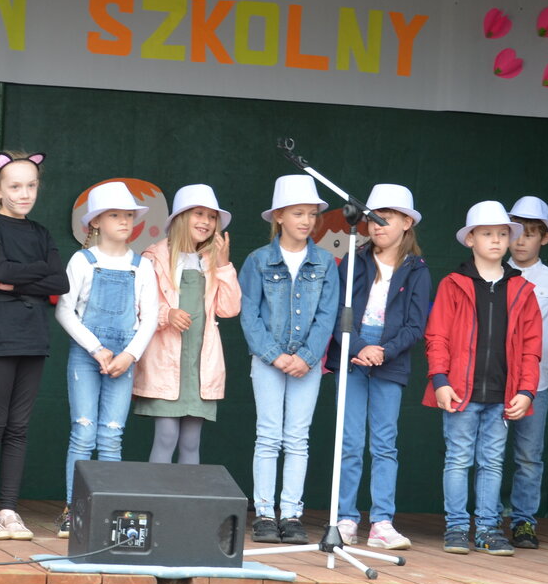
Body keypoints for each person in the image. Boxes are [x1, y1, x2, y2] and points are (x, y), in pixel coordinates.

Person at [424, 201, 541, 556]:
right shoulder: (453, 284)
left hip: (502, 395)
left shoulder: (523, 289)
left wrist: (526, 390)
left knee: (492, 462)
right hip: (460, 392)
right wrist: (440, 379)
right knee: (458, 459)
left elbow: (532, 348)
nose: (496, 240)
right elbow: (437, 336)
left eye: (502, 234)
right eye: (487, 233)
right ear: (470, 239)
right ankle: (457, 528)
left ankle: (488, 529)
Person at [0, 152, 69, 540]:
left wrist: (16, 281)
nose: (24, 193)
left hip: (34, 335)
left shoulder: (41, 232)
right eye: (15, 186)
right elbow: (0, 270)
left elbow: (61, 282)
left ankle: (8, 509)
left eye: (31, 186)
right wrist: (35, 273)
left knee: (18, 426)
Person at [326, 183, 430, 551]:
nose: (376, 225)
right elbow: (336, 311)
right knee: (350, 441)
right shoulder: (354, 259)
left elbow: (416, 326)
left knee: (385, 443)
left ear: (407, 223)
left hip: (390, 358)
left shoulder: (417, 269)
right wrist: (357, 346)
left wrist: (383, 351)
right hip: (352, 351)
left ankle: (382, 522)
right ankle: (346, 518)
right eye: (372, 219)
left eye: (385, 219)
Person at [239, 175, 339, 545]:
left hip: (306, 365)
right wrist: (274, 355)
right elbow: (248, 313)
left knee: (298, 438)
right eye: (298, 213)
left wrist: (308, 357)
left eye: (312, 214)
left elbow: (327, 316)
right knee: (268, 436)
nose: (306, 221)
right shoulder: (258, 260)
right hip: (269, 361)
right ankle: (265, 514)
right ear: (279, 216)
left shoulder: (325, 262)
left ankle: (292, 514)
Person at [56, 181, 159, 537]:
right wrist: (95, 348)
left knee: (112, 435)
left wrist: (129, 355)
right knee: (83, 431)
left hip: (124, 359)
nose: (124, 221)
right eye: (115, 215)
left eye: (128, 215)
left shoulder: (142, 265)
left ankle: (109, 512)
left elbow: (151, 316)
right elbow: (65, 311)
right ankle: (74, 509)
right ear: (96, 222)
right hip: (87, 355)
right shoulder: (82, 260)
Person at [132, 184, 240, 465]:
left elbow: (229, 309)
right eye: (198, 214)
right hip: (166, 362)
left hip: (200, 365)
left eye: (212, 217)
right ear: (180, 217)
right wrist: (167, 314)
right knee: (166, 436)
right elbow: (140, 308)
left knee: (192, 441)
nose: (206, 222)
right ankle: (157, 492)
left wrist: (224, 265)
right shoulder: (154, 257)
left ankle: (186, 494)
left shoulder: (211, 261)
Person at [503, 195, 548, 549]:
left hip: (535, 386)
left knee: (529, 457)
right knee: (485, 456)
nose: (520, 241)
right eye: (515, 232)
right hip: (492, 382)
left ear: (544, 238)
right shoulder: (492, 273)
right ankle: (484, 520)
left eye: (530, 234)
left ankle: (524, 523)